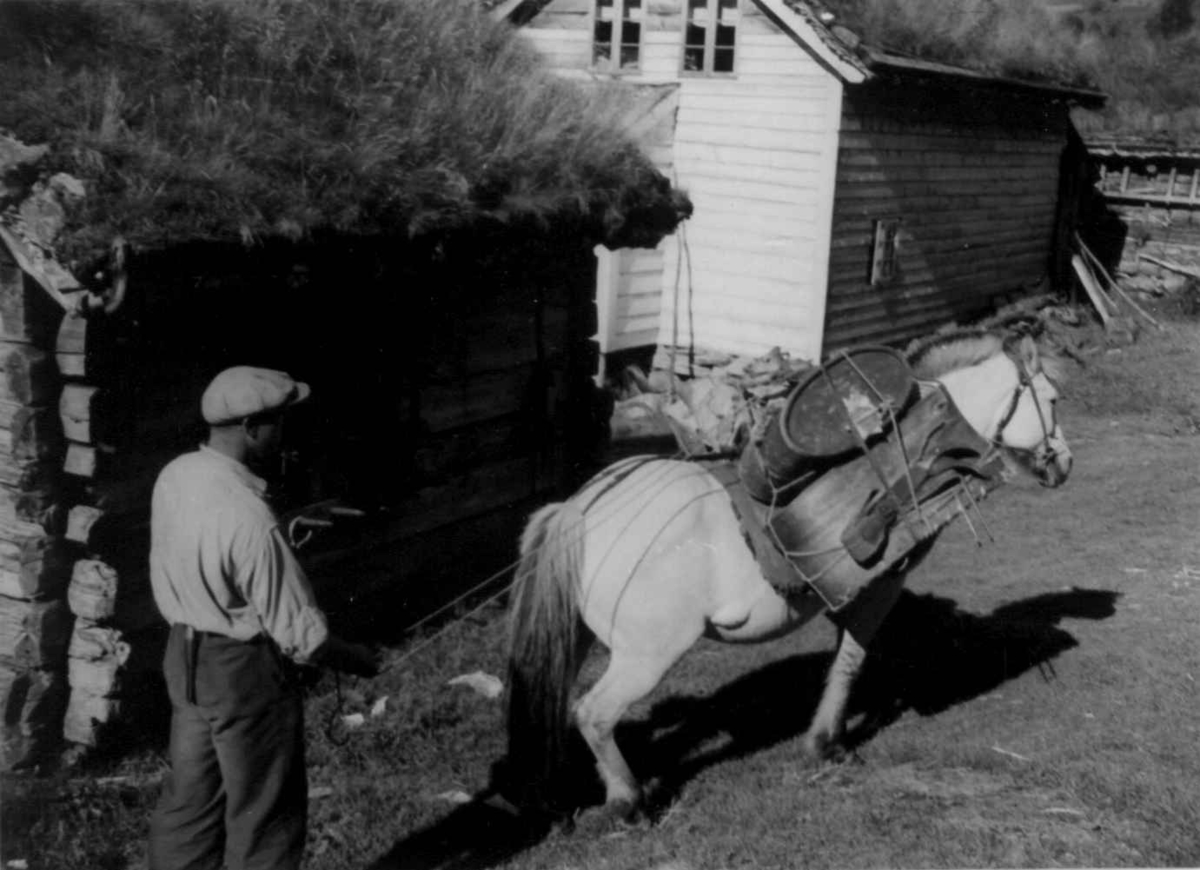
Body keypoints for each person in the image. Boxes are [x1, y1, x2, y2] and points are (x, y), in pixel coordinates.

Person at [147, 365, 380, 870]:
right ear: (252, 427)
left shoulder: (176, 475)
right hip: (242, 673)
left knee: (190, 806)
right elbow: (304, 637)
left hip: (185, 661)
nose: (285, 432)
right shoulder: (249, 518)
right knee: (263, 815)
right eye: (279, 421)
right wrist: (360, 660)